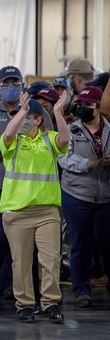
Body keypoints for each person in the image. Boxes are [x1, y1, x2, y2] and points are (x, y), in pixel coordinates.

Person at [0, 66, 54, 307]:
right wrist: (12, 133)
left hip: (30, 189)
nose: (11, 88)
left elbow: (48, 139)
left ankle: (26, 293)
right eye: (6, 84)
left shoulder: (36, 110)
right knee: (0, 238)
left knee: (29, 243)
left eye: (15, 83)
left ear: (22, 86)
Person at [0, 92, 69, 323]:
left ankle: (50, 303)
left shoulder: (49, 140)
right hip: (16, 213)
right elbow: (8, 132)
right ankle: (25, 305)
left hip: (47, 212)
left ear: (37, 119)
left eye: (26, 115)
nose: (19, 120)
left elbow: (65, 140)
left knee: (51, 260)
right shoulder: (12, 143)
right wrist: (21, 110)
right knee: (21, 262)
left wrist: (57, 112)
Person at [58, 86, 110, 307]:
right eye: (79, 104)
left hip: (106, 196)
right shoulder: (71, 130)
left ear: (98, 106)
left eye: (87, 105)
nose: (82, 109)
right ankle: (81, 290)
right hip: (77, 194)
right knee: (80, 243)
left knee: (107, 244)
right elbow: (63, 158)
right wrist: (90, 164)